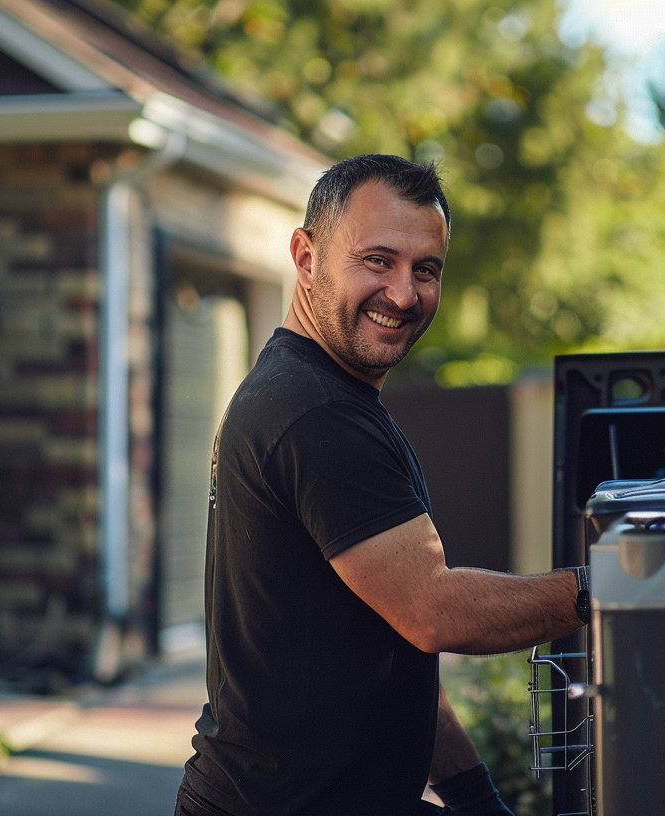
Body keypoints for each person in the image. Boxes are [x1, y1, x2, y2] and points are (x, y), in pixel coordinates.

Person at [175, 154, 589, 816]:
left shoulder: (312, 394)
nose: (403, 293)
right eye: (378, 261)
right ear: (306, 257)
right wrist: (610, 591)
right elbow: (434, 611)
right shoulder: (316, 412)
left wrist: (473, 797)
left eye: (425, 269)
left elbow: (393, 641)